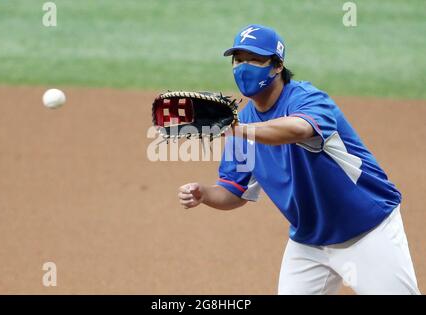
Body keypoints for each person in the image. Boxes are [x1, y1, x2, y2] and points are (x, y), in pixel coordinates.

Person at [177, 24, 420, 294]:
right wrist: (204, 194)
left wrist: (237, 129)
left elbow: (298, 129)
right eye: (239, 60)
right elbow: (234, 191)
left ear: (277, 65)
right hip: (309, 242)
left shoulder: (307, 99)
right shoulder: (241, 122)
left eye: (255, 59)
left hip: (367, 229)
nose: (244, 67)